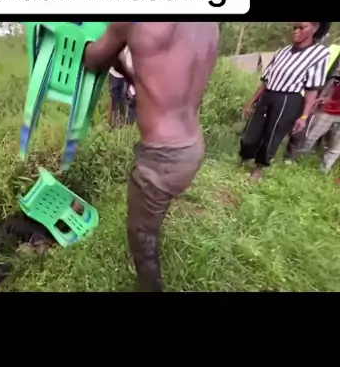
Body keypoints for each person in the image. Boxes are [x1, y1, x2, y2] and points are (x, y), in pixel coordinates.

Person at [84, 22, 219, 293]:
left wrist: (96, 39)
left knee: (141, 235)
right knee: (152, 212)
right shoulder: (210, 22)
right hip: (192, 146)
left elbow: (92, 61)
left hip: (163, 157)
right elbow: (161, 70)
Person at [240, 22, 331, 182]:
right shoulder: (282, 51)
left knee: (272, 135)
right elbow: (266, 80)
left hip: (289, 99)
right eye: (294, 28)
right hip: (268, 95)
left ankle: (259, 168)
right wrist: (251, 102)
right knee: (250, 134)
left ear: (315, 28)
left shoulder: (319, 54)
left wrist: (304, 117)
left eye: (302, 28)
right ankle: (245, 157)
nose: (296, 31)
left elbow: (312, 89)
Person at [297, 55, 340, 173]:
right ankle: (298, 161)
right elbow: (333, 84)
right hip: (328, 110)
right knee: (310, 137)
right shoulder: (336, 72)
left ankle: (324, 169)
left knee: (337, 146)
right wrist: (325, 97)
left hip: (332, 109)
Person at [109, 46, 136, 126]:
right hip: (114, 73)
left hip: (126, 75)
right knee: (115, 98)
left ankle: (125, 122)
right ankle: (114, 122)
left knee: (125, 98)